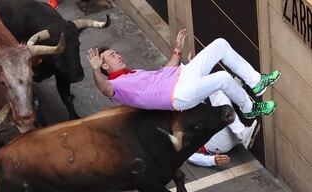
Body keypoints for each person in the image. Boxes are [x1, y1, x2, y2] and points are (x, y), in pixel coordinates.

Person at [86, 29, 280, 119]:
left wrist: (177, 50)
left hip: (182, 75)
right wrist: (95, 69)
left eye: (116, 52)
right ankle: (249, 108)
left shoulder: (132, 73)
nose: (118, 55)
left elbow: (166, 71)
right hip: (179, 95)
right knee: (222, 78)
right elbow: (104, 88)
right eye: (112, 55)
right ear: (104, 66)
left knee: (220, 43)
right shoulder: (116, 87)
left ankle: (256, 81)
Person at [188, 89, 260, 167]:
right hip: (214, 142)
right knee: (218, 93)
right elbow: (188, 155)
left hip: (222, 132)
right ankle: (241, 134)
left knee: (220, 86)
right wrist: (212, 160)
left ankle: (242, 132)